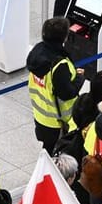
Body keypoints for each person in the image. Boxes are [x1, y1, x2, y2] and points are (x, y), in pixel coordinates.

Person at [28, 20, 82, 153]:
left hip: (41, 114)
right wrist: (80, 78)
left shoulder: (37, 52)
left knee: (48, 148)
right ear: (64, 37)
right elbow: (67, 93)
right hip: (58, 120)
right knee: (58, 151)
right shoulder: (59, 64)